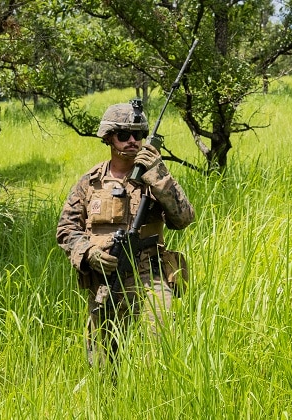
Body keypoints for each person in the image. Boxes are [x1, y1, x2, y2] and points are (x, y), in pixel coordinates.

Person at [56, 100, 194, 366]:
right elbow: (66, 230)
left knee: (161, 356)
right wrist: (89, 253)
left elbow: (184, 218)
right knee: (103, 361)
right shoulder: (90, 182)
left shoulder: (155, 178)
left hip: (150, 278)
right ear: (108, 138)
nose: (133, 141)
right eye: (124, 135)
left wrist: (159, 175)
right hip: (105, 281)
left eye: (139, 135)